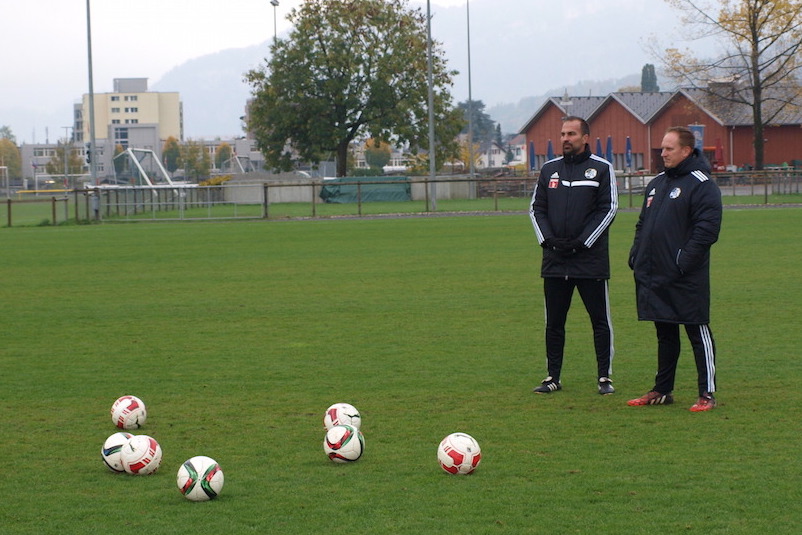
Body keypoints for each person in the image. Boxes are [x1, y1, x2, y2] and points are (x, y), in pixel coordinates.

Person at [627, 126, 722, 412]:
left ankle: (707, 393)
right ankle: (662, 390)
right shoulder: (656, 183)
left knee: (697, 330)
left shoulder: (702, 183)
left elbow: (707, 231)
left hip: (685, 276)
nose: (663, 153)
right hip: (654, 273)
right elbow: (643, 223)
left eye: (669, 148)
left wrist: (682, 262)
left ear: (686, 150)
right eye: (662, 148)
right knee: (665, 332)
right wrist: (637, 254)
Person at [529, 116, 618, 395]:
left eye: (571, 134)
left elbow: (609, 209)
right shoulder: (549, 170)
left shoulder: (602, 169)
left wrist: (583, 242)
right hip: (555, 260)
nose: (565, 138)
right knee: (554, 323)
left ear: (585, 137)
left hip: (589, 260)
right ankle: (552, 377)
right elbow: (536, 209)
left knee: (599, 321)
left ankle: (604, 377)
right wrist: (548, 241)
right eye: (563, 134)